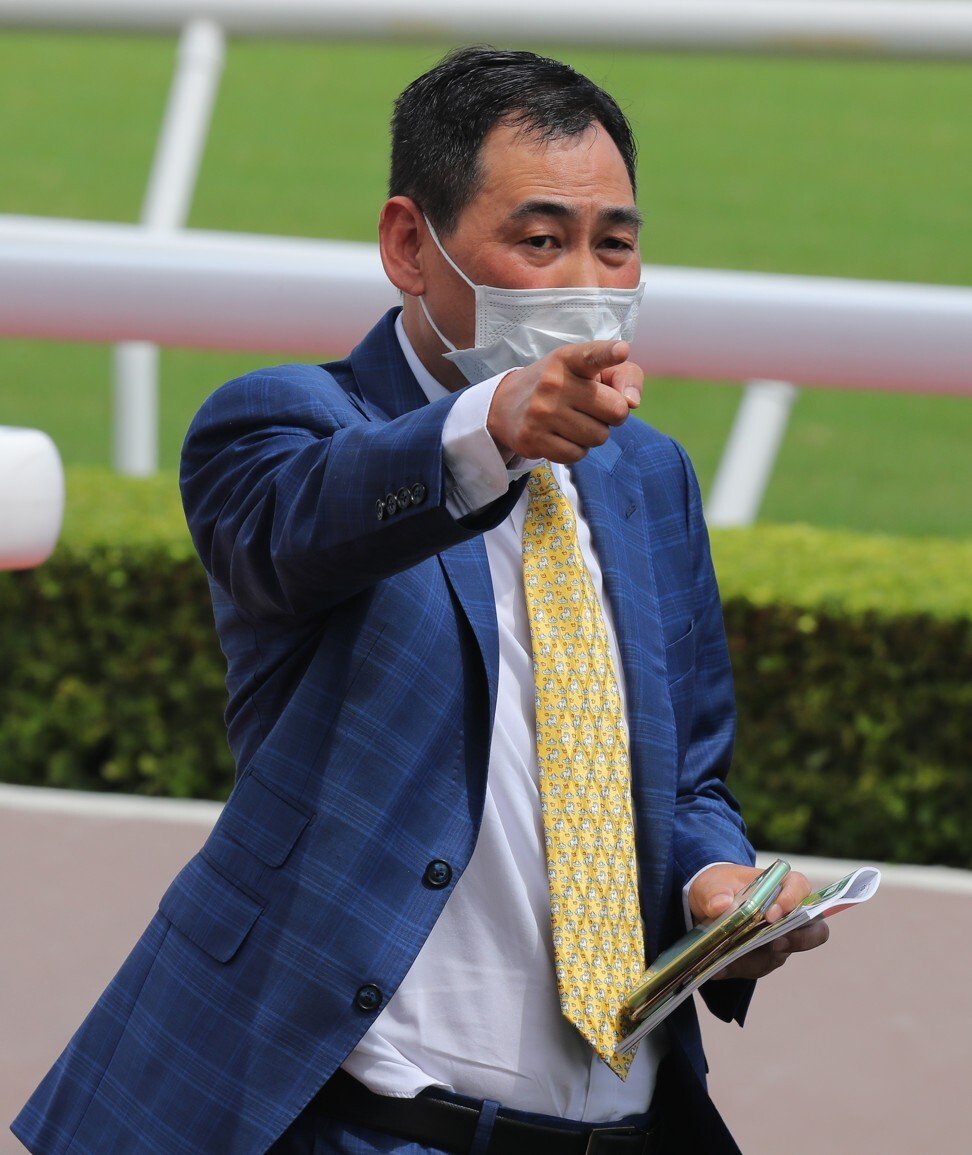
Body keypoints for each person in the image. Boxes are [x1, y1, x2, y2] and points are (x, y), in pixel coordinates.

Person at [12, 47, 828, 1155]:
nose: (585, 278)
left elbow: (684, 775)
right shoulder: (286, 428)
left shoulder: (649, 477)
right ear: (411, 243)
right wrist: (492, 424)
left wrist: (716, 883)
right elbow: (296, 532)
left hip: (625, 1123)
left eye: (615, 245)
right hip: (358, 1121)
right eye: (539, 242)